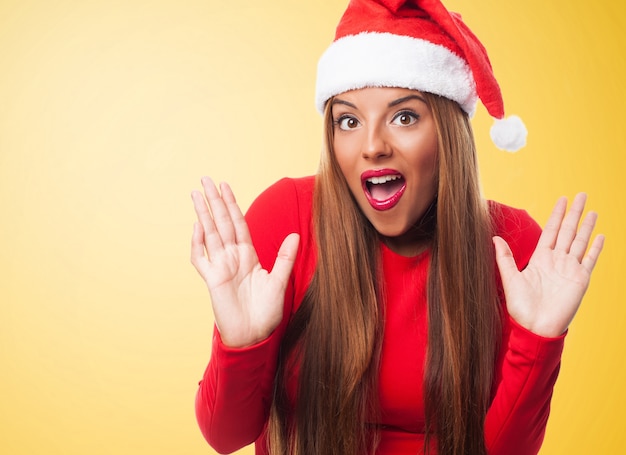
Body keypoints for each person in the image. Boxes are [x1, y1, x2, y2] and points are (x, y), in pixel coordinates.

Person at [190, 1, 605, 454]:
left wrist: (538, 341)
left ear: (447, 130)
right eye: (348, 120)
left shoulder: (513, 248)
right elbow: (225, 436)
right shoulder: (286, 220)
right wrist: (241, 343)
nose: (372, 146)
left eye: (404, 117)